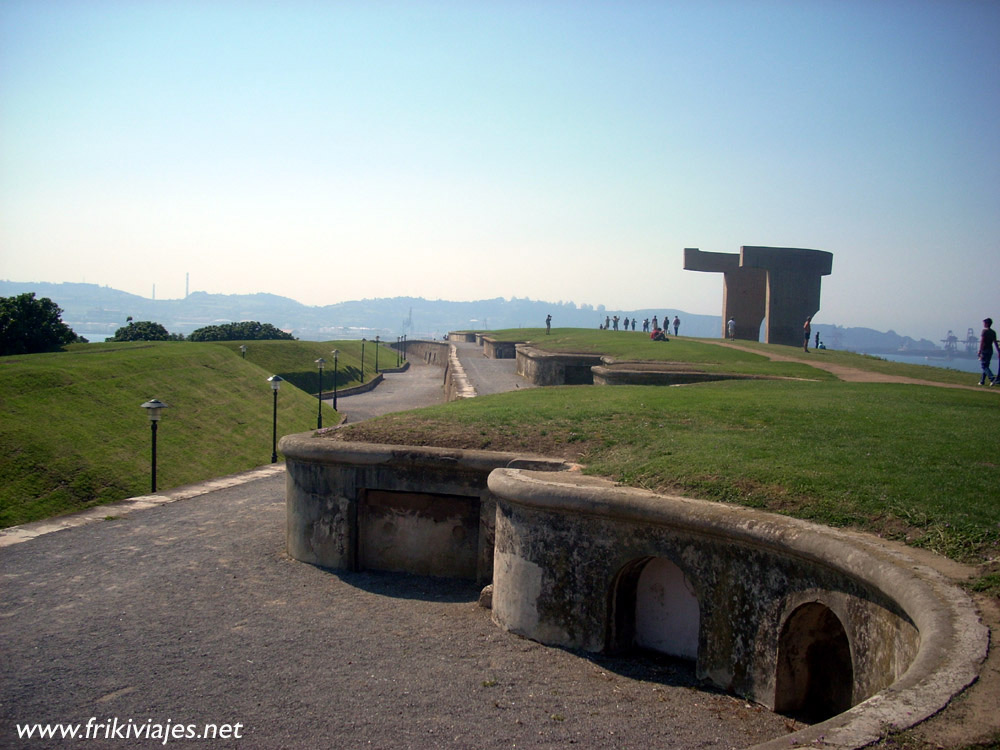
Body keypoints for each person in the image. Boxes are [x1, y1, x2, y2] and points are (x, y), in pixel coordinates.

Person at [978, 317, 997, 386]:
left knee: (984, 366)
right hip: (990, 350)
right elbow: (995, 342)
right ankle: (982, 381)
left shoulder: (984, 331)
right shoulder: (993, 332)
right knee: (986, 365)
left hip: (984, 350)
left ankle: (992, 378)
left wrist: (980, 350)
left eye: (984, 323)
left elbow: (982, 341)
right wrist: (998, 351)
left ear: (986, 324)